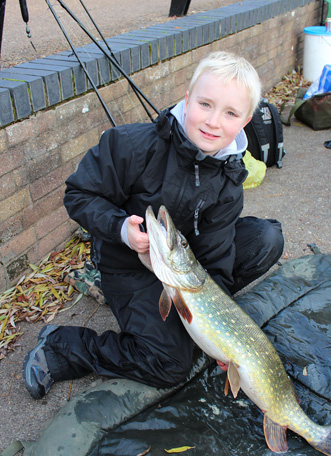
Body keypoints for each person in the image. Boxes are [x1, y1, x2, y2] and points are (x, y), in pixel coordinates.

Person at [23, 51, 284, 399]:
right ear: (187, 99)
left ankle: (187, 327)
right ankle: (59, 347)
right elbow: (79, 195)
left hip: (185, 266)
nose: (213, 122)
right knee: (170, 365)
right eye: (205, 104)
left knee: (266, 238)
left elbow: (216, 263)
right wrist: (121, 230)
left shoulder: (229, 181)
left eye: (230, 113)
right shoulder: (130, 144)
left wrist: (219, 334)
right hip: (128, 264)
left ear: (245, 120)